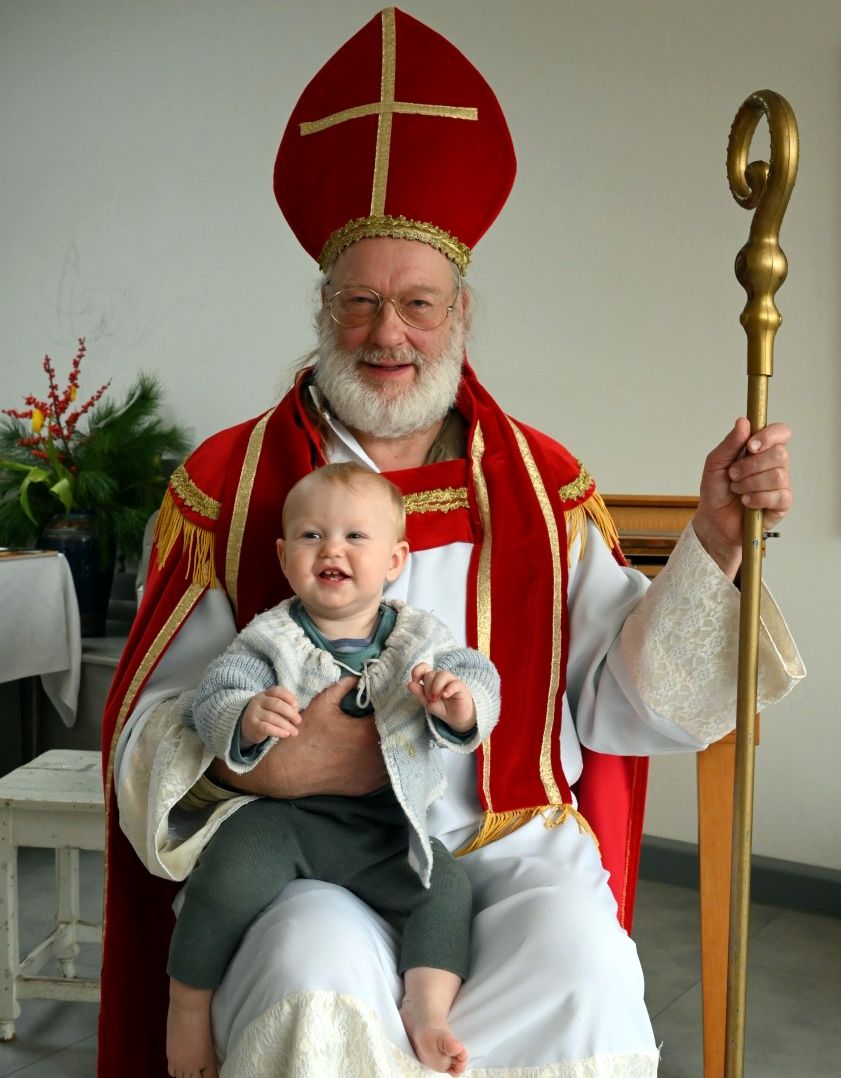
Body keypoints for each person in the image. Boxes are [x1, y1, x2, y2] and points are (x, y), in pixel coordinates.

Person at [100, 9, 804, 1078]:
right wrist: (267, 755)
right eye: (361, 304)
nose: (390, 335)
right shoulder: (230, 486)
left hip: (499, 850)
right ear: (323, 307)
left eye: (418, 304)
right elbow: (148, 735)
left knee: (589, 981)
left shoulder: (541, 484)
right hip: (304, 861)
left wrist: (712, 539)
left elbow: (622, 706)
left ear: (461, 310)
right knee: (312, 987)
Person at [166, 463, 500, 1078]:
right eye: (312, 536)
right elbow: (211, 695)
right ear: (285, 555)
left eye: (355, 537)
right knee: (224, 880)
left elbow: (479, 674)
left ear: (396, 559)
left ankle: (426, 1007)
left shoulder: (419, 637)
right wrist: (244, 717)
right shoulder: (268, 638)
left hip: (380, 824)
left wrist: (460, 702)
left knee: (446, 888)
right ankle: (187, 1008)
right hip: (284, 818)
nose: (333, 550)